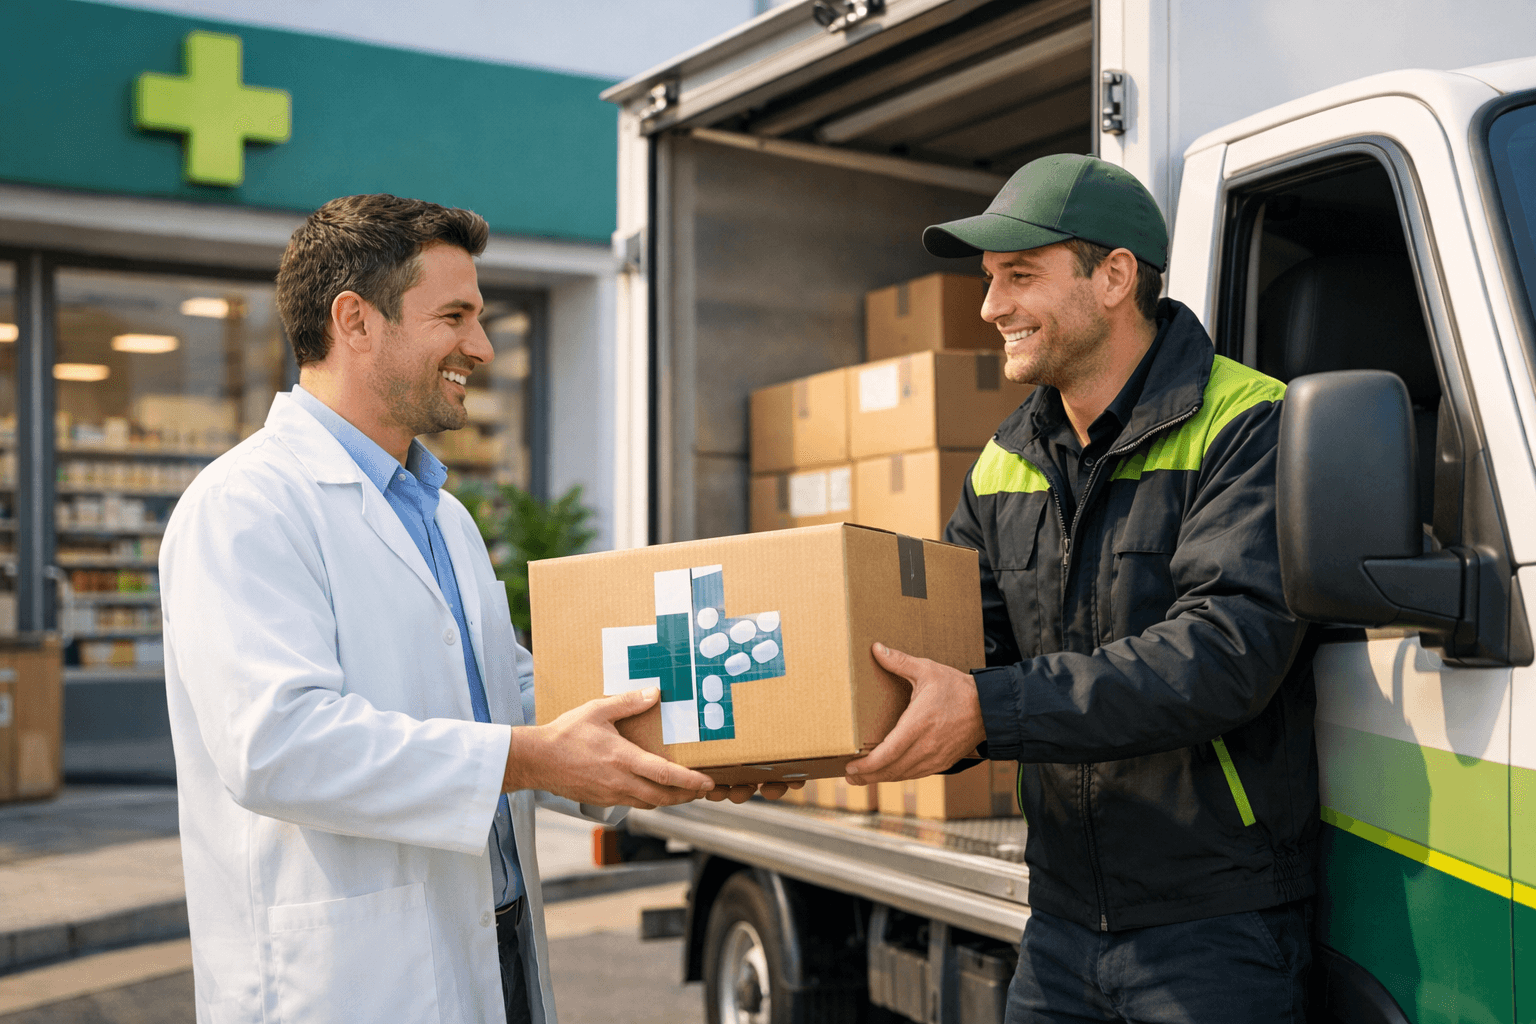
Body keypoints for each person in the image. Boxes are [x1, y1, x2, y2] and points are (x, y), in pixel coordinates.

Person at [161, 194, 776, 1024]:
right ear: (355, 321)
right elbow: (277, 745)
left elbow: (517, 698)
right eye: (454, 316)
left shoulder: (441, 514)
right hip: (351, 982)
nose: (480, 347)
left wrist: (704, 747)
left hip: (496, 951)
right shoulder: (245, 505)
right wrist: (530, 758)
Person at [844, 155, 1318, 1022]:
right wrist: (817, 725)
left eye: (1019, 276)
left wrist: (988, 710)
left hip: (1215, 929)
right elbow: (960, 657)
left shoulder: (1247, 422)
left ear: (1114, 277)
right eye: (989, 281)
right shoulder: (1003, 462)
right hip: (1059, 928)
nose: (990, 308)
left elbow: (1221, 654)